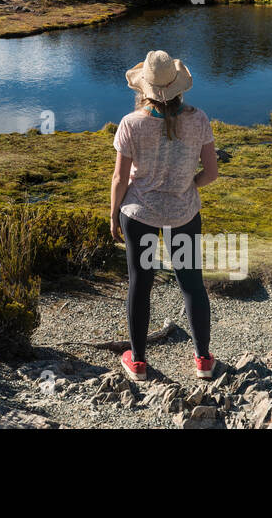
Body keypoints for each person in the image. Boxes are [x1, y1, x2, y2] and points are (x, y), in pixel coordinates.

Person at [109, 50, 219, 382]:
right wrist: (188, 185)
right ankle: (203, 360)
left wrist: (113, 215)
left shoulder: (131, 123)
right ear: (178, 87)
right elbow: (211, 173)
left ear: (145, 89)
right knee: (191, 284)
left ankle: (138, 362)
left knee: (140, 284)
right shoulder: (199, 119)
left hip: (139, 215)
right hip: (183, 214)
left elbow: (119, 178)